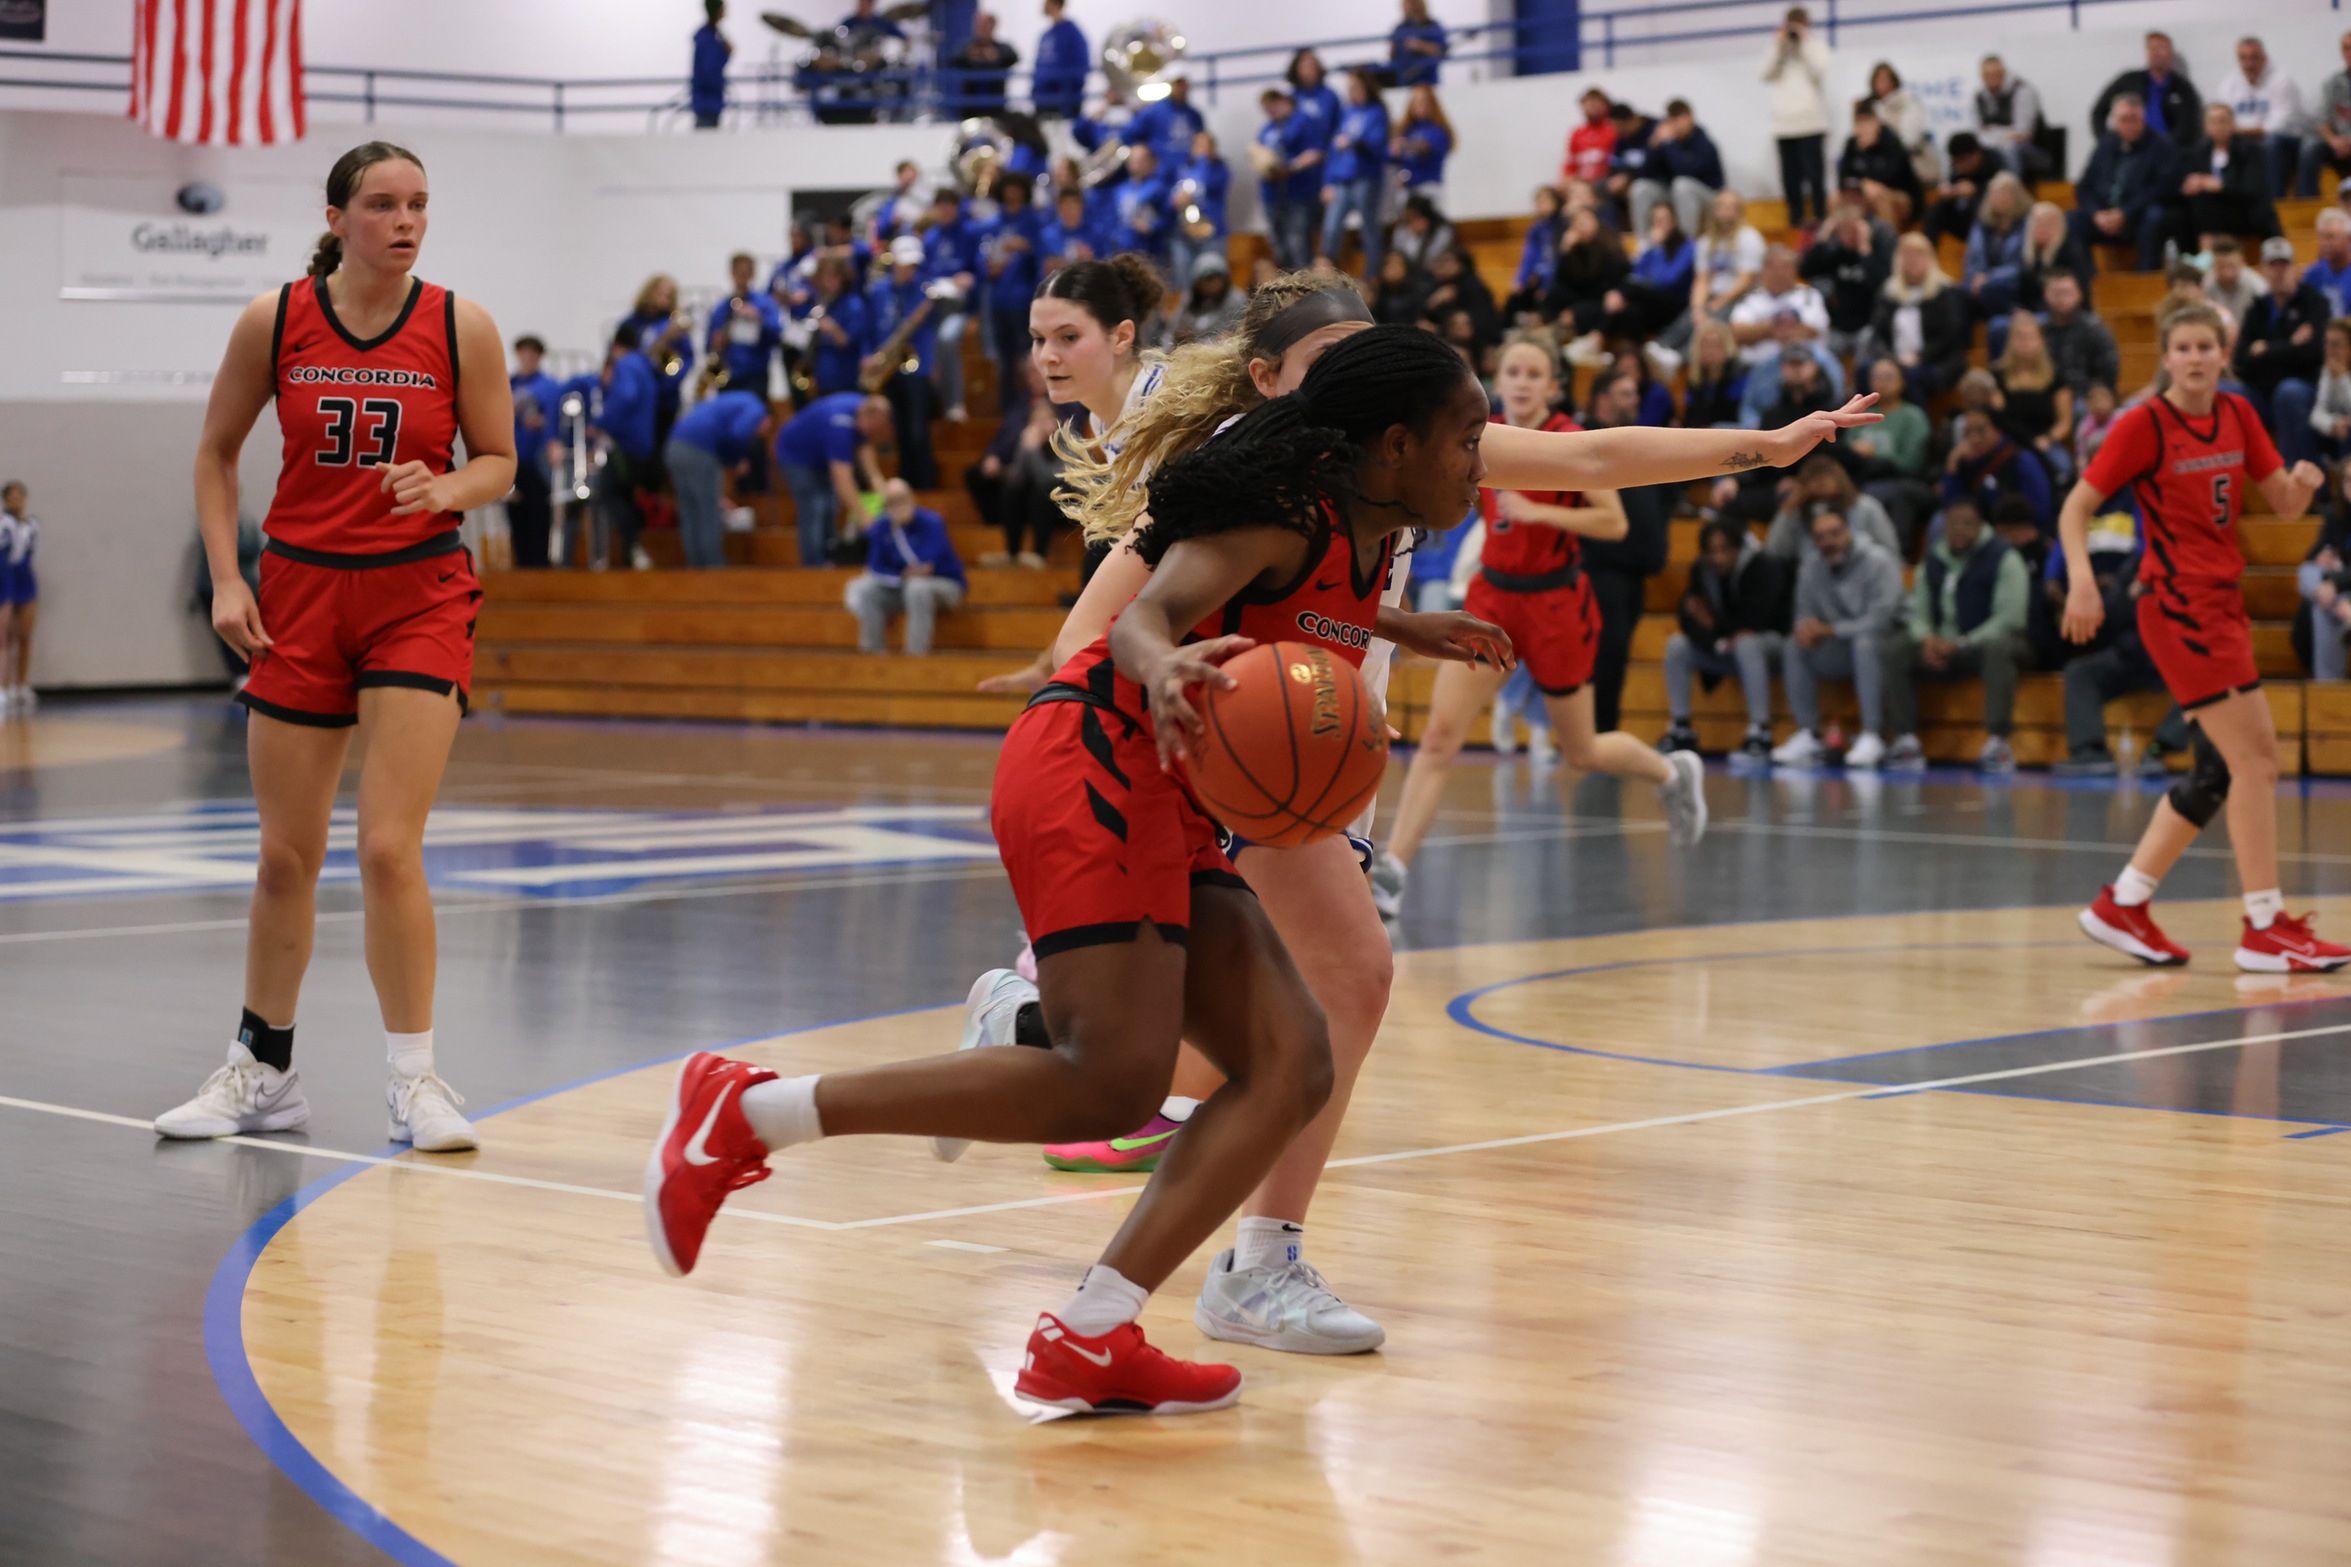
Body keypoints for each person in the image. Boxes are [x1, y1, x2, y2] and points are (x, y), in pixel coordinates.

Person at [645, 327, 1514, 1416]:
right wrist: (1162, 667)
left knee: (1292, 1060)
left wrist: (1404, 627)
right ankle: (746, 1112)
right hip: (1092, 756)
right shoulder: (1285, 507)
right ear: (1393, 445)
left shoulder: (1357, 531)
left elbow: (1297, 601)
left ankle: (1092, 1331)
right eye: (1466, 439)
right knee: (1114, 1078)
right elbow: (1146, 614)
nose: (1480, 462)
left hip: (1160, 788)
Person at [154, 141, 515, 1150]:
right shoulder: (275, 321)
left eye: (419, 206)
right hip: (300, 595)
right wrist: (229, 577)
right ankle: (263, 1069)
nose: (405, 222)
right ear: (336, 217)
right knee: (284, 856)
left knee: (389, 846)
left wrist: (448, 486)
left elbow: (500, 460)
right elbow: (216, 453)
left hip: (418, 593)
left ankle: (416, 1079)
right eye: (383, 205)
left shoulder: (459, 323)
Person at [2065, 304, 2345, 972]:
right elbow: (2075, 507)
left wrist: (2304, 483)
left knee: (2221, 769)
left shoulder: (2239, 415)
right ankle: (2264, 926)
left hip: (2221, 603)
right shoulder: (2143, 424)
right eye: (2181, 347)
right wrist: (2080, 581)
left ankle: (2123, 903)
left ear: (2223, 354)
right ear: (2164, 356)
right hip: (2178, 607)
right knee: (2257, 763)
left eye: (2205, 347)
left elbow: (2279, 501)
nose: (2193, 358)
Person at [1380, 338, 1709, 894]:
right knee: (1439, 737)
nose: (1524, 381)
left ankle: (1671, 771)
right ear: (1496, 380)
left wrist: (1539, 510)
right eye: (1513, 370)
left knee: (1581, 751)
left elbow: (1615, 525)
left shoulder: (1569, 441)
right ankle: (1394, 871)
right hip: (1494, 598)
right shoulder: (1480, 434)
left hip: (1555, 602)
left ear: (1554, 386)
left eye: (1536, 372)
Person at [1879, 497, 2032, 773]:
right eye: (1952, 524)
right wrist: (1928, 639)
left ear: (1981, 526)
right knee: (1895, 649)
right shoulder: (1934, 559)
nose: (1959, 530)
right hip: (1944, 645)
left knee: (1998, 648)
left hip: (1988, 643)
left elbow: (2010, 617)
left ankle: (1998, 741)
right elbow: (1917, 611)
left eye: (1967, 524)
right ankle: (1905, 740)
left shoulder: (2004, 557)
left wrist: (1962, 644)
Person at [1770, 505, 1905, 768]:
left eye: (1835, 533)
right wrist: (1806, 629)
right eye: (1820, 537)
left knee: (1866, 642)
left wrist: (1831, 630)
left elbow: (1882, 619)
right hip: (1841, 648)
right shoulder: (1811, 565)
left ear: (1850, 531)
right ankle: (1809, 733)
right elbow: (1803, 611)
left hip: (1885, 644)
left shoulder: (1879, 560)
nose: (1828, 542)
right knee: (1793, 644)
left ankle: (1872, 734)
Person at [1658, 517, 1791, 766]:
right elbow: (1688, 617)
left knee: (1747, 643)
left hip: (1771, 648)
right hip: (1723, 647)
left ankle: (1760, 732)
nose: (1717, 558)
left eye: (1724, 550)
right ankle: (1682, 728)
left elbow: (1757, 619)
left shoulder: (1763, 565)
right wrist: (1717, 639)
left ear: (1737, 548)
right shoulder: (1701, 569)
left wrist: (1714, 626)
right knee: (1677, 645)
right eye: (1711, 551)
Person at [2237, 237, 2330, 468]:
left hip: (2303, 388)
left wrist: (2266, 348)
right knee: (2229, 394)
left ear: (2296, 269)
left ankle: (2306, 479)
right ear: (2263, 271)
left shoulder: (2315, 302)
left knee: (2288, 393)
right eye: (2272, 266)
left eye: (2284, 265)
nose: (2279, 272)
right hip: (2262, 390)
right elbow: (2241, 359)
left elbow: (2314, 353)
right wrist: (2290, 344)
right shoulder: (2257, 308)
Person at [845, 479, 966, 654]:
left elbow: (926, 564)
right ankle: (872, 655)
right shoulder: (882, 527)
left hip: (944, 584)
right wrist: (901, 576)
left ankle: (915, 656)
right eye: (892, 502)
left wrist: (900, 532)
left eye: (902, 499)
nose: (899, 506)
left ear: (912, 498)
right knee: (866, 590)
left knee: (917, 588)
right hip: (902, 585)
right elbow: (876, 567)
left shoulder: (932, 522)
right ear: (885, 506)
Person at [774, 390, 892, 565]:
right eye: (876, 428)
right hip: (795, 457)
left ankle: (829, 556)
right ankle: (814, 565)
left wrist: (885, 496)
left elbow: (869, 464)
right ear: (868, 417)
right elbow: (843, 479)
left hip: (819, 459)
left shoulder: (865, 407)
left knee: (831, 504)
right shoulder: (839, 424)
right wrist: (864, 517)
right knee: (815, 506)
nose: (876, 434)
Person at [2070, 94, 2182, 274]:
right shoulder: (2105, 145)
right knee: (2071, 220)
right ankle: (2086, 280)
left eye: (2134, 119)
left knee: (2155, 217)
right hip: (2104, 216)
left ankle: (2144, 280)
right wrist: (2096, 213)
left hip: (2137, 217)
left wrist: (2125, 213)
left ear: (2143, 120)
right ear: (2114, 121)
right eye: (2124, 120)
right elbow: (2083, 187)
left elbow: (2162, 188)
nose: (2129, 125)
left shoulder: (2161, 146)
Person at [866, 234, 942, 488]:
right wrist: (870, 356)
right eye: (905, 263)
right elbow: (871, 329)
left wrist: (930, 365)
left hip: (916, 368)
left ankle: (926, 482)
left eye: (913, 264)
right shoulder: (878, 291)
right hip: (888, 369)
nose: (910, 269)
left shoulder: (925, 291)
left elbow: (931, 331)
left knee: (918, 430)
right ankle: (907, 479)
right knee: (898, 430)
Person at [968, 366, 1064, 566]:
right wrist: (1025, 447)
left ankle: (1039, 554)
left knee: (1042, 492)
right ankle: (1012, 552)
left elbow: (1048, 478)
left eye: (1047, 420)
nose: (1042, 425)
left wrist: (1034, 450)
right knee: (1012, 490)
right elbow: (1017, 477)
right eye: (1038, 420)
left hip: (1062, 500)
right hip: (1035, 494)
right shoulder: (1028, 437)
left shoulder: (1064, 440)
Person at [666, 388, 772, 569]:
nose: (761, 434)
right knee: (709, 510)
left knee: (690, 511)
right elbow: (738, 434)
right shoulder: (756, 407)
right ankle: (713, 565)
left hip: (673, 447)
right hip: (700, 450)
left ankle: (695, 565)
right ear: (767, 418)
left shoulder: (730, 400)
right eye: (765, 429)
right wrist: (736, 460)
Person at [1866, 232, 1969, 399]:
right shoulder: (1888, 292)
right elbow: (1878, 333)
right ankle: (1865, 423)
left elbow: (1950, 335)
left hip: (1935, 361)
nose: (1912, 261)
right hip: (1895, 359)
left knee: (1911, 377)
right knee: (1867, 369)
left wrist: (1919, 357)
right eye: (1907, 256)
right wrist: (1891, 359)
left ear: (1930, 258)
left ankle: (1917, 423)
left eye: (1918, 255)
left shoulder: (1945, 292)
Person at [590, 326, 659, 569]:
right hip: (641, 444)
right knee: (626, 495)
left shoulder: (627, 364)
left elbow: (625, 397)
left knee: (609, 491)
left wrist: (600, 423)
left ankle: (634, 545)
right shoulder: (644, 365)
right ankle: (632, 553)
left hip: (626, 444)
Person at [2212, 36, 2306, 205]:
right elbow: (2222, 116)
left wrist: (2242, 131)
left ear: (2264, 57)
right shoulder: (2229, 84)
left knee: (2271, 143)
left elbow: (2280, 123)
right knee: (2216, 143)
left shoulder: (2282, 81)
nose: (2249, 63)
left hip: (2284, 142)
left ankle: (2274, 203)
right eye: (2243, 58)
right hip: (2244, 140)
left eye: (2254, 57)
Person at [1761, 5, 1832, 229]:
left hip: (1811, 123)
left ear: (1807, 27)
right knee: (1790, 179)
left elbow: (1819, 72)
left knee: (1815, 178)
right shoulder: (1777, 48)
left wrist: (1803, 44)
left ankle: (1821, 217)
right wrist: (1779, 46)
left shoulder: (1816, 47)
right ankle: (1795, 220)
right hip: (1784, 125)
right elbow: (1764, 74)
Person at [2179, 102, 2282, 254]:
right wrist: (2191, 185)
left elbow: (2253, 190)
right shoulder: (2199, 153)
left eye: (2223, 121)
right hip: (2214, 214)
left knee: (2206, 203)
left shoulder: (2250, 150)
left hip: (2244, 211)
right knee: (2186, 207)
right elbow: (2192, 181)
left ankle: (2207, 253)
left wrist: (2220, 186)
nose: (2218, 126)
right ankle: (2197, 254)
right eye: (2213, 122)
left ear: (2233, 124)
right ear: (2206, 126)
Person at [981, 173, 1044, 409]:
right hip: (999, 300)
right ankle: (1009, 411)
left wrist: (1025, 247)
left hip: (1025, 299)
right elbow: (983, 258)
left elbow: (1042, 255)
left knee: (1030, 358)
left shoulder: (1033, 221)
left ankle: (1036, 406)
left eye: (1017, 188)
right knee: (1005, 362)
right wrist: (989, 267)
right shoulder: (994, 223)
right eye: (1008, 188)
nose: (1012, 193)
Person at [1802, 198, 1893, 362]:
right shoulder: (1834, 254)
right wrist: (1822, 237)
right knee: (1819, 352)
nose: (1847, 236)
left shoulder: (1874, 254)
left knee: (1867, 342)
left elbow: (1881, 283)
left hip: (1867, 325)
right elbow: (1805, 271)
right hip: (1838, 327)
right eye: (1843, 230)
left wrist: (1865, 247)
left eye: (1852, 230)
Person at [1320, 68, 1390, 277]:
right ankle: (1327, 275)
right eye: (1350, 88)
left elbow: (1378, 147)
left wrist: (1354, 142)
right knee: (1331, 229)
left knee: (1369, 230)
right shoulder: (1347, 113)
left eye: (1356, 87)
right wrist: (1327, 181)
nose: (1353, 91)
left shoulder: (1377, 112)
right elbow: (1333, 151)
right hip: (1342, 179)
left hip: (1366, 178)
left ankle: (1372, 277)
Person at [1993, 310, 2076, 486]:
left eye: (2030, 337)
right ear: (2010, 341)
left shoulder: (2055, 378)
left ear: (2041, 340)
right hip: (2010, 443)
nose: (2025, 343)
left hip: (2044, 442)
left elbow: (2065, 422)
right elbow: (1996, 417)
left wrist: (2048, 439)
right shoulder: (1998, 375)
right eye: (2019, 337)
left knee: (2063, 469)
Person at [1945, 406, 2053, 535]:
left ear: (1998, 429)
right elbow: (1952, 507)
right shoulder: (1964, 462)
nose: (1974, 438)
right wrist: (1952, 467)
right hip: (1977, 533)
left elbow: (2041, 511)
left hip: (2015, 533)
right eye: (1968, 432)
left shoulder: (2021, 459)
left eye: (1981, 430)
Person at [1629, 98, 1724, 240]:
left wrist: (1669, 143)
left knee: (1682, 185)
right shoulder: (1668, 143)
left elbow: (1685, 171)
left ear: (1690, 118)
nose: (1676, 125)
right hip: (1675, 195)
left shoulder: (1703, 142)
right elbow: (1644, 174)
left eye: (1680, 119)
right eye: (1672, 121)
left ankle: (1685, 243)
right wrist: (1652, 147)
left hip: (1709, 196)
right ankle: (1644, 244)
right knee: (1640, 187)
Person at [2091, 31, 2202, 152]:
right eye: (2152, 48)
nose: (2156, 53)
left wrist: (2170, 148)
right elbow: (2099, 111)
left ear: (2170, 53)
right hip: (2133, 151)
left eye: (2161, 48)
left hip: (2169, 153)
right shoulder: (2129, 80)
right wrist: (2106, 142)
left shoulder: (2183, 88)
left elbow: (2189, 126)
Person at [505, 336, 561, 569]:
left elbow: (553, 422)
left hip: (536, 459)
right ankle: (521, 564)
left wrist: (549, 437)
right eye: (523, 353)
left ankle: (539, 564)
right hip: (513, 458)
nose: (527, 358)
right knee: (515, 511)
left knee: (539, 512)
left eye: (532, 354)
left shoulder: (549, 386)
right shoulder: (509, 384)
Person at [1728, 243, 1829, 373]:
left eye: (1785, 266)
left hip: (1802, 367)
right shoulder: (1751, 299)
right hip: (1757, 368)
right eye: (1773, 267)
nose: (1779, 273)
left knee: (1827, 363)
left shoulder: (1809, 295)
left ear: (1795, 269)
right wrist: (1782, 326)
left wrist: (1763, 330)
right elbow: (1738, 333)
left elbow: (1812, 330)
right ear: (1763, 270)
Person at [1255, 88, 1323, 274]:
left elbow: (1315, 153)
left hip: (1297, 194)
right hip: (1273, 195)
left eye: (1272, 107)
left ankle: (1304, 289)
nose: (1271, 112)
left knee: (1298, 243)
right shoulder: (1267, 130)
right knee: (1279, 246)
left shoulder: (1301, 122)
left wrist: (1291, 167)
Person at [705, 251, 783, 397]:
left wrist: (758, 318)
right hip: (727, 375)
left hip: (755, 375)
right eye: (738, 272)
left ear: (752, 275)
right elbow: (708, 346)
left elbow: (777, 336)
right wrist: (716, 344)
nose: (742, 277)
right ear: (732, 274)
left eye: (746, 272)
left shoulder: (764, 304)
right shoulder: (721, 308)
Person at [1960, 172, 2033, 324]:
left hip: (2015, 284)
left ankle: (2014, 321)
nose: (2003, 197)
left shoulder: (2027, 223)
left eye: (2008, 193)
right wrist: (1976, 276)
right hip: (1982, 285)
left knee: (1992, 289)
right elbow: (1973, 258)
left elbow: (2023, 264)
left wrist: (1989, 277)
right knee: (1956, 294)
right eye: (1998, 193)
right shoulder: (1982, 224)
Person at [1838, 100, 1922, 229]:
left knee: (1878, 195)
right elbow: (1842, 177)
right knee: (1835, 199)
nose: (1863, 127)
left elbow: (1891, 176)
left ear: (1877, 123)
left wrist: (1867, 155)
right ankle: (1840, 245)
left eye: (1867, 121)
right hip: (1864, 193)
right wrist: (1862, 184)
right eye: (1858, 122)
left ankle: (1888, 244)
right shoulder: (1852, 143)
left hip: (1900, 195)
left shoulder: (1890, 140)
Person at [2040, 272, 2120, 402]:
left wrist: (2095, 392)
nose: (2061, 299)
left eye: (2066, 292)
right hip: (2048, 396)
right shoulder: (2040, 330)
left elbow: (2109, 370)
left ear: (2079, 295)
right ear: (2045, 295)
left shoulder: (2094, 328)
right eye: (2056, 293)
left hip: (2084, 396)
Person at [1972, 55, 2051, 184]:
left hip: (2033, 152)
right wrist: (2005, 133)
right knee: (1968, 152)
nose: (1991, 78)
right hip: (1995, 147)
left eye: (1996, 74)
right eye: (1987, 75)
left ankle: (2012, 192)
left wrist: (1991, 132)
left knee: (2009, 148)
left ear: (2004, 73)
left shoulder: (2023, 91)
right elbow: (1977, 134)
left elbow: (2022, 133)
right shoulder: (1978, 96)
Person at [1166, 130, 1230, 289]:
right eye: (1197, 145)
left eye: (1205, 145)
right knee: (1183, 282)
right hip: (1184, 234)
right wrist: (1175, 200)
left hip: (1211, 234)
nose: (1200, 149)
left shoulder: (1219, 169)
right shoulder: (1182, 169)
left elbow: (1206, 183)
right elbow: (1170, 196)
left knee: (1214, 279)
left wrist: (1203, 159)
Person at [1866, 61, 1937, 188]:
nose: (1880, 84)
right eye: (1877, 80)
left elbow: (1909, 140)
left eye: (1884, 79)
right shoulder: (1870, 108)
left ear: (1894, 81)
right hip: (1879, 168)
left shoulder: (1909, 103)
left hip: (1910, 166)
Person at [1923, 133, 2000, 247]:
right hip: (1965, 221)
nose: (1960, 166)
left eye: (1964, 161)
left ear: (1977, 154)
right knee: (1938, 207)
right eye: (1957, 162)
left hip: (1992, 222)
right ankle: (1927, 249)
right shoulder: (1956, 168)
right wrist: (1951, 192)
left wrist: (1977, 190)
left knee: (1980, 203)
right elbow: (1954, 185)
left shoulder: (1995, 161)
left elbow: (2007, 191)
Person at [0, 482, 36, 716]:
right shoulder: (4, 523)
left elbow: (33, 552)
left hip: (25, 578)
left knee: (24, 635)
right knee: (4, 637)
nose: (15, 500)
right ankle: (4, 686)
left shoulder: (32, 524)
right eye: (10, 496)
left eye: (19, 496)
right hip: (6, 577)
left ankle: (21, 685)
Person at [2301, 32, 2351, 200]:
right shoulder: (2332, 83)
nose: (2350, 53)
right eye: (2346, 48)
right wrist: (2333, 141)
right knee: (2310, 148)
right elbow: (2321, 119)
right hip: (2337, 143)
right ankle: (2306, 207)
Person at [942, 10, 1019, 117]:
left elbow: (1013, 57)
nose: (981, 29)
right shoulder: (967, 48)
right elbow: (953, 59)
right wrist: (971, 56)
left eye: (984, 25)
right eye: (978, 25)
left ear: (992, 26)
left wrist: (995, 56)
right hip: (971, 107)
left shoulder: (1001, 49)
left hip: (996, 107)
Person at [1508, 185, 1566, 320]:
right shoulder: (1536, 229)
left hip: (1557, 277)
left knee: (1548, 296)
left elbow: (1559, 259)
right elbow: (1529, 256)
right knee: (1515, 297)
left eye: (1546, 201)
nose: (1542, 205)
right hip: (1538, 277)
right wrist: (1520, 279)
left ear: (1556, 202)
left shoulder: (1562, 226)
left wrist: (1546, 284)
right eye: (1539, 202)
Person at [1391, 85, 1453, 208]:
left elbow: (1425, 147)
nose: (1421, 106)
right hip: (1408, 188)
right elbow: (1392, 153)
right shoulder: (1408, 129)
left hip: (1428, 187)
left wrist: (1405, 146)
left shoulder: (1437, 130)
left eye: (1424, 102)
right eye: (1417, 102)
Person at [1127, 75, 1205, 170]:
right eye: (1177, 84)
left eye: (1184, 84)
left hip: (1187, 169)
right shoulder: (1153, 111)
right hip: (1159, 173)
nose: (1181, 88)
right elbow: (1128, 135)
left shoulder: (1193, 114)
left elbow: (1202, 142)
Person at [1169, 250, 1245, 346]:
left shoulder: (1237, 300)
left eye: (1215, 278)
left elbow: (1237, 336)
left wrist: (1196, 343)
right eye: (1206, 279)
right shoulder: (1189, 300)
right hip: (1186, 352)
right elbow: (1171, 332)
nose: (1211, 284)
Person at [1031, 0, 1087, 119]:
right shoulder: (1046, 35)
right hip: (1043, 100)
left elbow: (1081, 64)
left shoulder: (1072, 34)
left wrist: (1069, 90)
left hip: (1063, 101)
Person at [2309, 319, 2351, 467]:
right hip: (2337, 435)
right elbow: (2316, 414)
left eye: (2336, 345)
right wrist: (2333, 423)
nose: (2329, 350)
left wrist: (2343, 379)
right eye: (2326, 343)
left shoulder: (2337, 372)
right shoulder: (2328, 370)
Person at [2203, 236, 2267, 326]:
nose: (2227, 273)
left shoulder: (2257, 287)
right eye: (2221, 267)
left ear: (2242, 263)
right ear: (2213, 265)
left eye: (2231, 266)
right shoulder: (2205, 285)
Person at [1563, 87, 1618, 188]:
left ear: (1606, 106)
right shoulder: (1577, 133)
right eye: (1588, 104)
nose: (1591, 108)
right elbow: (1570, 165)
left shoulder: (1614, 130)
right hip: (1580, 183)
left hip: (1605, 182)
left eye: (1595, 104)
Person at [690, 0, 731, 129]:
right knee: (705, 141)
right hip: (707, 101)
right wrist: (725, 53)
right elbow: (710, 69)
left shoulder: (711, 35)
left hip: (709, 100)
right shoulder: (708, 38)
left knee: (706, 141)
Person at [1390, 0, 1448, 87]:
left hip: (1428, 81)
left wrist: (1420, 46)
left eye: (1411, 3)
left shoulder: (1432, 25)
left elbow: (1442, 51)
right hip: (1404, 81)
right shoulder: (1400, 28)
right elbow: (1392, 56)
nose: (1408, 7)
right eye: (1406, 4)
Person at [2307, 209, 2351, 318]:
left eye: (2330, 237)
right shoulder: (2313, 274)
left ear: (2348, 239)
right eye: (2321, 237)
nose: (2325, 243)